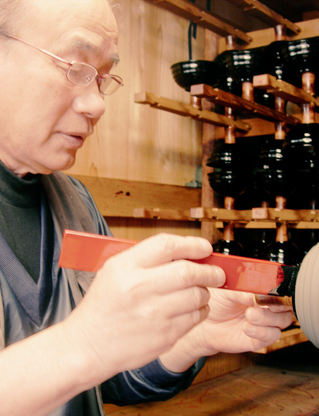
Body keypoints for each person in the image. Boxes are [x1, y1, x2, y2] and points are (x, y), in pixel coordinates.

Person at [0, 0, 293, 415]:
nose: (97, 105)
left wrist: (197, 335)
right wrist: (84, 343)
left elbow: (106, 378)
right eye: (75, 68)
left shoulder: (75, 203)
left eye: (102, 78)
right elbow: (89, 350)